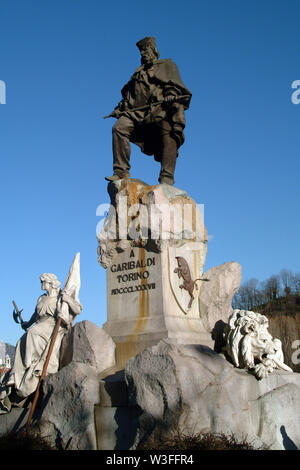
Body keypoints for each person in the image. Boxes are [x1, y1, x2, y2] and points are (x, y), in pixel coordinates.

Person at [105, 36, 192, 186]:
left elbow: (174, 85)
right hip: (137, 112)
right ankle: (120, 170)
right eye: (141, 52)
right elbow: (129, 96)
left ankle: (167, 178)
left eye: (146, 50)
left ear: (154, 51)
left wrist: (170, 94)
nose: (144, 53)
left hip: (160, 109)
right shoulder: (138, 73)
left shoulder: (167, 65)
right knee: (119, 127)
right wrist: (120, 108)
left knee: (169, 136)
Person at [0, 272, 82, 413]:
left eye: (43, 282)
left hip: (52, 327)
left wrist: (67, 300)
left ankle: (31, 366)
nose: (41, 285)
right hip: (39, 325)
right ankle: (24, 369)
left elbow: (78, 309)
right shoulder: (41, 298)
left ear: (50, 283)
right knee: (22, 339)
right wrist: (27, 323)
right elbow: (35, 314)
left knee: (33, 333)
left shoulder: (60, 297)